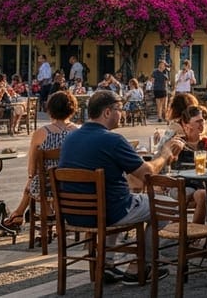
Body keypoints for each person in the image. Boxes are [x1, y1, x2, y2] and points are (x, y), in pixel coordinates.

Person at [58, 90, 183, 284]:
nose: (122, 113)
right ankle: (144, 266)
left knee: (119, 196)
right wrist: (165, 154)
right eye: (120, 109)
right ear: (107, 112)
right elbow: (147, 174)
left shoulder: (71, 138)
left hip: (74, 213)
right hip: (110, 211)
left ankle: (107, 263)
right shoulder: (112, 140)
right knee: (168, 206)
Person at [1, 91, 79, 229]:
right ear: (72, 110)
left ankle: (43, 213)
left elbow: (32, 167)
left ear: (50, 110)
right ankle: (46, 214)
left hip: (46, 185)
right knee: (40, 179)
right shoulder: (77, 132)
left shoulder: (41, 133)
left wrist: (32, 176)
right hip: (71, 183)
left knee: (35, 178)